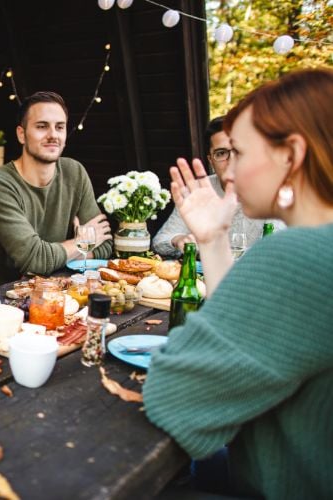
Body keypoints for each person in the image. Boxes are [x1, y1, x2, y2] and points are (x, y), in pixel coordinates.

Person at [143, 68, 333, 499]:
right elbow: (249, 354)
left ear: (292, 155)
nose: (228, 173)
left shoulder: (297, 256)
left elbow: (173, 398)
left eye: (240, 153)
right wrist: (212, 242)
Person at [0, 91, 112, 283]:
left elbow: (105, 245)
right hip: (5, 299)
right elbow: (35, 260)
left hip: (61, 289)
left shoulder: (74, 172)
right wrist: (80, 243)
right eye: (42, 126)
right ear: (21, 134)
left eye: (60, 127)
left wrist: (57, 255)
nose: (53, 135)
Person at [152, 116, 283, 257]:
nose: (231, 161)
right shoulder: (197, 189)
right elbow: (160, 241)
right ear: (211, 161)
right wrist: (179, 240)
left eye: (238, 151)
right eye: (221, 153)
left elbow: (278, 248)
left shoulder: (274, 191)